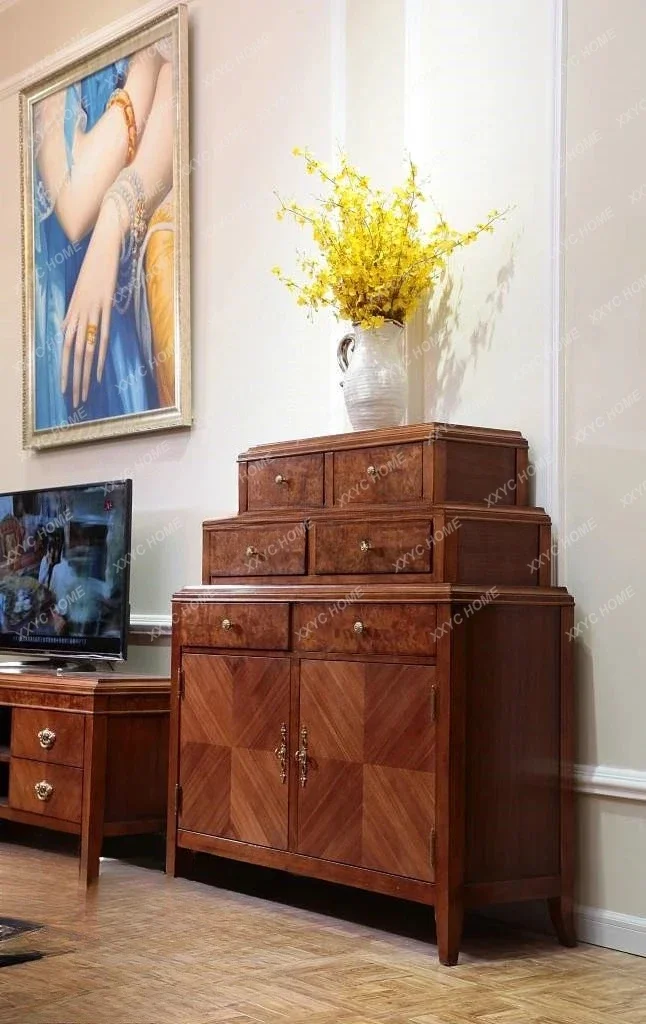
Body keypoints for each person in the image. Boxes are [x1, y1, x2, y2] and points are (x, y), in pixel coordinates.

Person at [33, 39, 175, 427]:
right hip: (58, 317)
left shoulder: (162, 54)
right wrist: (141, 79)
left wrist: (112, 224)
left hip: (107, 316)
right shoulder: (56, 74)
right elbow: (76, 207)